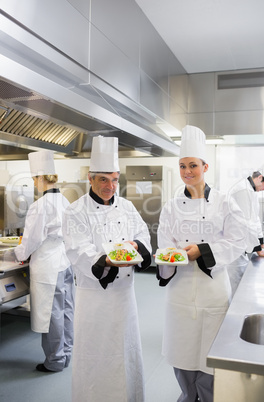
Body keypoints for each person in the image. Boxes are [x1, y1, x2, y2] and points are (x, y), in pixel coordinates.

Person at [156, 125, 246, 402]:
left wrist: (202, 250)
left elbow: (237, 240)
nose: (187, 172)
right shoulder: (171, 206)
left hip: (213, 290)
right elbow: (164, 245)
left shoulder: (224, 202)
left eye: (193, 165)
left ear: (205, 166)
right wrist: (171, 255)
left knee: (210, 357)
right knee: (181, 353)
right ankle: (186, 396)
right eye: (182, 166)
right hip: (180, 291)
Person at [62, 136, 152, 402]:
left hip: (125, 297)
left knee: (126, 351)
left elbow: (143, 236)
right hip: (95, 300)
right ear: (90, 179)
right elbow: (78, 251)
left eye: (114, 179)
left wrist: (134, 244)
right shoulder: (75, 211)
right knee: (95, 356)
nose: (110, 186)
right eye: (103, 179)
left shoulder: (126, 206)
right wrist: (107, 260)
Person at [13, 150, 74, 372]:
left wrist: (18, 254)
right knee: (66, 310)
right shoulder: (64, 200)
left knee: (52, 314)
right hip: (64, 263)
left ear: (40, 178)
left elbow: (31, 241)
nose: (34, 184)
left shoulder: (40, 205)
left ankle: (55, 361)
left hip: (48, 267)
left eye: (34, 179)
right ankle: (65, 354)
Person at [227, 168, 264, 296]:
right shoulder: (243, 190)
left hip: (242, 245)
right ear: (260, 178)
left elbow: (255, 219)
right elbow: (246, 224)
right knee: (235, 287)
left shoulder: (250, 190)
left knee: (241, 287)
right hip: (234, 247)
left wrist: (261, 243)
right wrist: (258, 249)